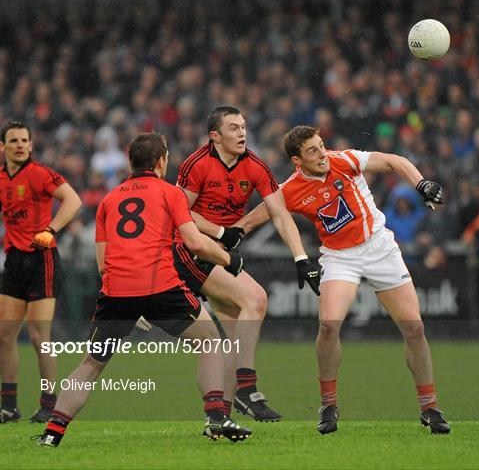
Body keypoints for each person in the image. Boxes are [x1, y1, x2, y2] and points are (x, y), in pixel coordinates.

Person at [35, 133, 251, 447]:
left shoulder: (109, 200)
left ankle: (52, 435)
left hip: (116, 293)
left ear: (130, 162)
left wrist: (129, 306)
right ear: (162, 161)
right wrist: (230, 260)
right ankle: (216, 417)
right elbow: (194, 242)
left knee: (92, 364)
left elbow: (102, 265)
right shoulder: (169, 193)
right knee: (210, 341)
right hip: (160, 287)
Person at [235, 126, 451, 435]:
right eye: (312, 150)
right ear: (297, 160)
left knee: (414, 327)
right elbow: (262, 213)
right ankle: (328, 404)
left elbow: (394, 161)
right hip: (340, 257)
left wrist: (421, 182)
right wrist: (231, 234)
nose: (322, 154)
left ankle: (429, 407)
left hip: (379, 247)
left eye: (322, 146)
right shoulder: (292, 188)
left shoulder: (345, 160)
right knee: (329, 324)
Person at [171, 106, 320, 421]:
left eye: (243, 127)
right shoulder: (196, 164)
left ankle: (222, 416)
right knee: (256, 298)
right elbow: (179, 211)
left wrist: (301, 257)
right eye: (234, 128)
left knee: (237, 335)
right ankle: (247, 389)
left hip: (218, 255)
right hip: (189, 249)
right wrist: (220, 231)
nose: (242, 133)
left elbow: (279, 212)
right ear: (215, 136)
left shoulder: (254, 166)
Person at [0, 121, 82, 424]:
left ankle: (49, 404)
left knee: (38, 337)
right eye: (14, 141)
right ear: (3, 147)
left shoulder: (40, 174)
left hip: (41, 260)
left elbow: (73, 200)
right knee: (4, 336)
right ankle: (8, 406)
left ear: (31, 146)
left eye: (25, 140)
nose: (20, 145)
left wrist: (51, 229)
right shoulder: (1, 178)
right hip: (13, 263)